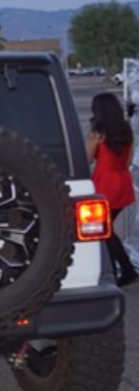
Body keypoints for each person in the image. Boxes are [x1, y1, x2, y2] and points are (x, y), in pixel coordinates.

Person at [86, 92, 138, 287]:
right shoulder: (126, 131)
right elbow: (129, 159)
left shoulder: (98, 133)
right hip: (122, 182)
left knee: (103, 230)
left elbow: (87, 158)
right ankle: (124, 270)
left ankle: (123, 270)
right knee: (106, 229)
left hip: (105, 184)